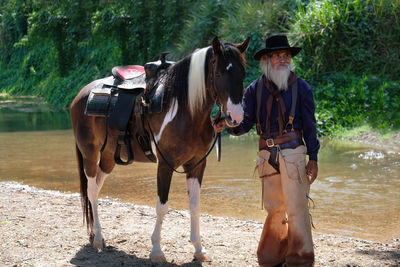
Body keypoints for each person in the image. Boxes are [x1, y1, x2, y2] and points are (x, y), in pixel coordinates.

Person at [214, 35, 319, 267]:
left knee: (297, 208)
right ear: (267, 60)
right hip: (266, 157)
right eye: (277, 56)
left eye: (286, 56)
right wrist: (228, 125)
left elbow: (310, 128)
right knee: (274, 209)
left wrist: (314, 158)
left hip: (294, 153)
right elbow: (246, 124)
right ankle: (272, 258)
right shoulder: (253, 90)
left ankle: (300, 260)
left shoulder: (303, 89)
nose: (282, 59)